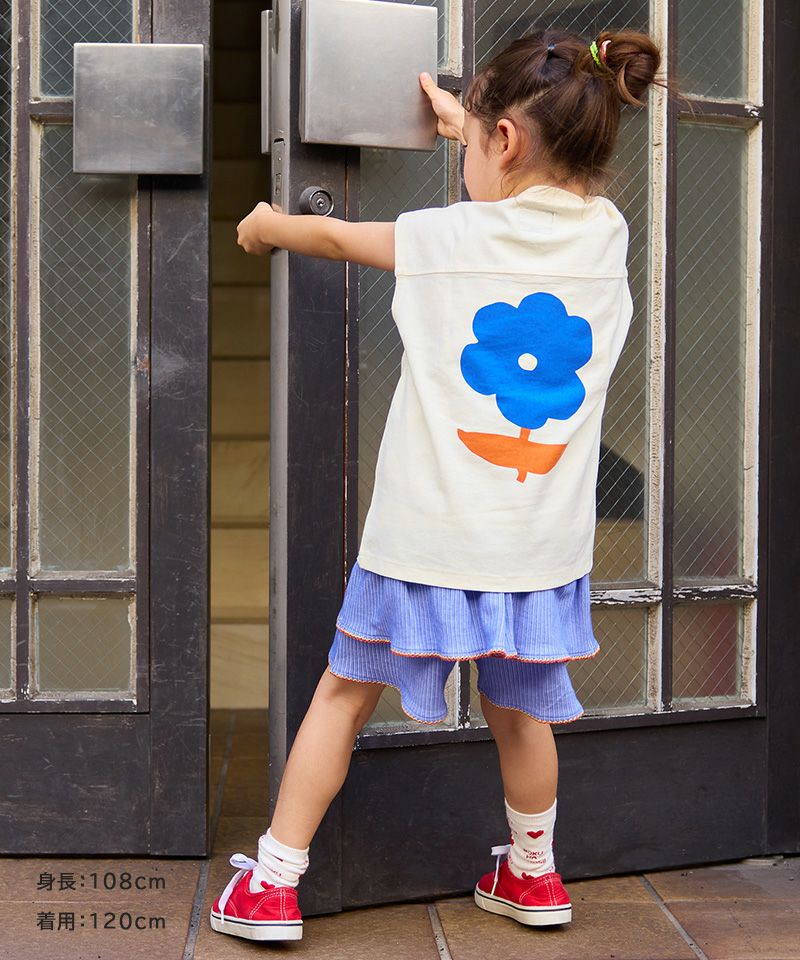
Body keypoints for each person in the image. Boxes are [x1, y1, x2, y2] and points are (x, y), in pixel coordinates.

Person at [209, 26, 662, 943]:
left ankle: (273, 885)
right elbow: (536, 193)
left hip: (424, 542)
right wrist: (471, 125)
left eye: (476, 144)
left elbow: (328, 235)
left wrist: (262, 226)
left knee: (343, 694)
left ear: (506, 142)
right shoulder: (609, 237)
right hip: (536, 551)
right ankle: (533, 874)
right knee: (522, 715)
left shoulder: (440, 237)